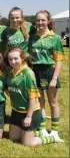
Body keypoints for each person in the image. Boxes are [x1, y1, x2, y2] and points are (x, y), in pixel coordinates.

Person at [6, 47, 63, 146]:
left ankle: (52, 137)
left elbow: (33, 98)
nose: (13, 62)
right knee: (13, 138)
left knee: (27, 143)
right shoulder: (10, 73)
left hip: (31, 113)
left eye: (16, 59)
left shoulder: (28, 73)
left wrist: (28, 117)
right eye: (10, 59)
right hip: (16, 111)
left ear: (22, 59)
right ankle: (39, 132)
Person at [28, 10, 67, 139]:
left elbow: (59, 59)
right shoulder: (32, 37)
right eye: (38, 20)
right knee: (40, 102)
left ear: (48, 21)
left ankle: (55, 131)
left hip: (49, 71)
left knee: (53, 102)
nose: (40, 22)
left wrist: (54, 78)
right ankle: (43, 129)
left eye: (43, 20)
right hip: (36, 71)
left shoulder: (54, 37)